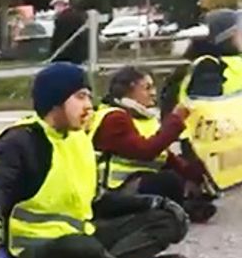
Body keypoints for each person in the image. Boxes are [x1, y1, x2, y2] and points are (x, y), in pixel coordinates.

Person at [0, 64, 192, 258]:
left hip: (83, 240)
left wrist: (153, 203)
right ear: (56, 101)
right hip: (33, 254)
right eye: (80, 96)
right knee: (79, 248)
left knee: (166, 219)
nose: (89, 105)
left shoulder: (78, 140)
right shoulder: (21, 141)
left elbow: (96, 201)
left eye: (89, 96)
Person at [89, 65, 217, 223]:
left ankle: (185, 206)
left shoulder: (143, 117)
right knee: (167, 181)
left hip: (137, 181)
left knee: (180, 176)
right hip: (115, 189)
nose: (153, 93)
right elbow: (146, 151)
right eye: (147, 88)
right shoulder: (115, 118)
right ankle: (178, 210)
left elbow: (164, 155)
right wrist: (175, 120)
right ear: (130, 91)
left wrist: (195, 175)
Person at [180, 9, 242, 99]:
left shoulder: (236, 62)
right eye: (240, 31)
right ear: (228, 36)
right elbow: (205, 105)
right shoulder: (208, 66)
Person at [48, 0, 87, 65]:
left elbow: (58, 37)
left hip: (65, 53)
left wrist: (53, 52)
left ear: (60, 5)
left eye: (55, 6)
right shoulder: (77, 15)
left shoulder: (62, 18)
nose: (55, 9)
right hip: (78, 52)